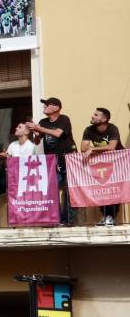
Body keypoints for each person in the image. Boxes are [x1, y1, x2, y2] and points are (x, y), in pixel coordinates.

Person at [29, 97, 76, 225]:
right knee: (51, 190)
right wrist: (34, 131)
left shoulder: (64, 119)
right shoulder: (43, 121)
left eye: (47, 104)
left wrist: (39, 128)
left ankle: (68, 219)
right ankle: (55, 218)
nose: (44, 106)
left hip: (67, 159)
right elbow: (38, 140)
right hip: (51, 161)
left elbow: (57, 134)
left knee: (69, 190)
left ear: (56, 108)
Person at [81, 107, 122, 226]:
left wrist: (93, 149)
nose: (92, 116)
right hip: (101, 165)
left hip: (117, 163)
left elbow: (112, 146)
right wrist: (95, 150)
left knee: (114, 189)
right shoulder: (89, 129)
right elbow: (83, 147)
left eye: (96, 115)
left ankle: (111, 216)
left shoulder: (112, 128)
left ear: (104, 119)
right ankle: (105, 215)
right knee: (100, 189)